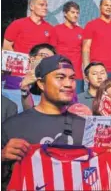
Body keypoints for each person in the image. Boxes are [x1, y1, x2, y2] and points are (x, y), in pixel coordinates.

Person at [1, 55, 85, 186]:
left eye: (72, 78)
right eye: (60, 77)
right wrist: (2, 157)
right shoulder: (12, 126)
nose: (69, 84)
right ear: (41, 84)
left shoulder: (85, 127)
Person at [83, 0, 111, 78]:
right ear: (100, 7)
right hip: (99, 70)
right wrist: (86, 67)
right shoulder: (91, 25)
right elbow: (86, 48)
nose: (109, 8)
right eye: (106, 5)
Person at [7, 43, 56, 112]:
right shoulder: (13, 81)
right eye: (44, 56)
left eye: (52, 59)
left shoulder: (52, 86)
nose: (48, 61)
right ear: (32, 59)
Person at [52, 1, 85, 93]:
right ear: (65, 13)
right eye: (73, 12)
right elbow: (52, 52)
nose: (76, 15)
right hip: (60, 73)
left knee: (76, 104)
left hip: (77, 75)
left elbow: (85, 52)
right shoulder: (56, 30)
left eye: (77, 13)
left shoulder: (81, 31)